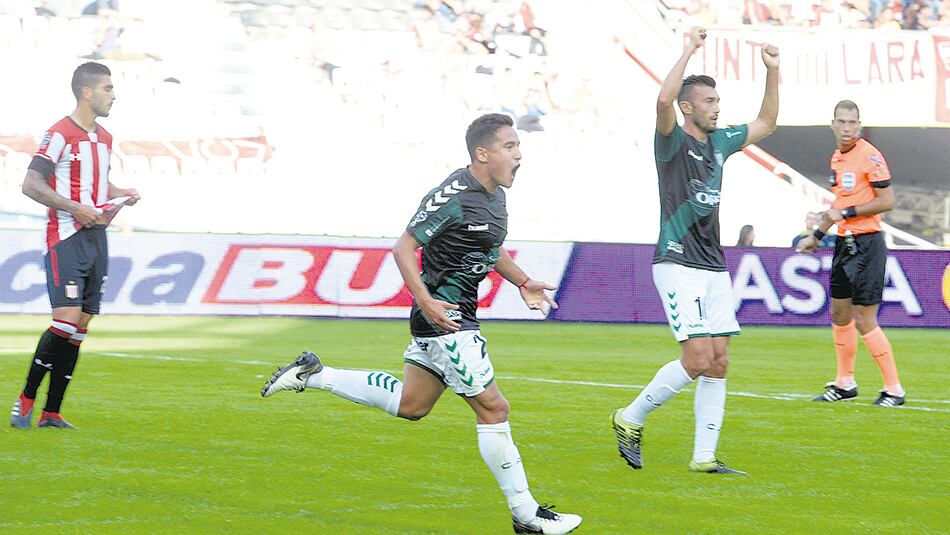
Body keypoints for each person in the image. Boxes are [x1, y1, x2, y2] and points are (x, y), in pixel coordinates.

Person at [260, 114, 582, 534]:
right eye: (509, 146)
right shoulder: (453, 194)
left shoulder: (495, 196)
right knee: (493, 407)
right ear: (482, 154)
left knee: (413, 405)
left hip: (450, 315)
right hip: (448, 317)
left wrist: (521, 281)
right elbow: (403, 247)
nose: (518, 154)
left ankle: (314, 374)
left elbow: (490, 245)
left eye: (518, 145)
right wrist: (428, 301)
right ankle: (526, 514)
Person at [611, 27, 779, 474]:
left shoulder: (721, 144)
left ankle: (704, 457)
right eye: (708, 102)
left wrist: (773, 72)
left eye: (717, 101)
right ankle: (629, 418)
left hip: (712, 265)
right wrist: (688, 49)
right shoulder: (671, 142)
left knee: (719, 361)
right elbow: (662, 102)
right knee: (698, 358)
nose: (716, 107)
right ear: (689, 107)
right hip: (677, 262)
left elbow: (767, 122)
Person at [10, 62, 141, 429]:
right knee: (65, 324)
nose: (113, 95)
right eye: (108, 88)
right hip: (65, 238)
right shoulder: (59, 134)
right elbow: (31, 184)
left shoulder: (106, 138)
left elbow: (98, 186)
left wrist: (121, 193)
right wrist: (73, 207)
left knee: (80, 329)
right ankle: (26, 398)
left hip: (97, 238)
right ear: (87, 92)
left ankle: (52, 412)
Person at [795, 100, 904, 407]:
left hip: (868, 243)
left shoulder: (869, 155)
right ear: (833, 124)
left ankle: (894, 389)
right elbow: (837, 207)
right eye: (841, 122)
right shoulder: (837, 158)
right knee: (839, 314)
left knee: (864, 318)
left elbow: (887, 201)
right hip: (845, 243)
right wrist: (815, 236)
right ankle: (845, 383)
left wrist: (847, 212)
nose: (846, 128)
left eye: (851, 123)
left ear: (859, 125)